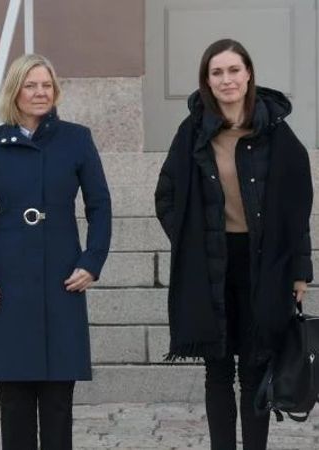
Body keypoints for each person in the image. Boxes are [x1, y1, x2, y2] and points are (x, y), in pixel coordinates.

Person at [155, 38, 312, 450]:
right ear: (207, 80)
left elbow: (297, 208)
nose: (226, 80)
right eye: (216, 72)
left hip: (264, 266)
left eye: (233, 70)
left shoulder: (276, 133)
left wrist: (300, 270)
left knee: (257, 368)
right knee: (218, 370)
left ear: (248, 75)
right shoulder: (192, 132)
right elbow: (166, 195)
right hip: (210, 264)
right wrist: (191, 241)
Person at [0, 53, 111, 450]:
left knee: (57, 398)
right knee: (13, 398)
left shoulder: (76, 139)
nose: (39, 92)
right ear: (15, 91)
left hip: (61, 277)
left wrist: (92, 261)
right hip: (8, 282)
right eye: (31, 85)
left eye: (46, 85)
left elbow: (99, 205)